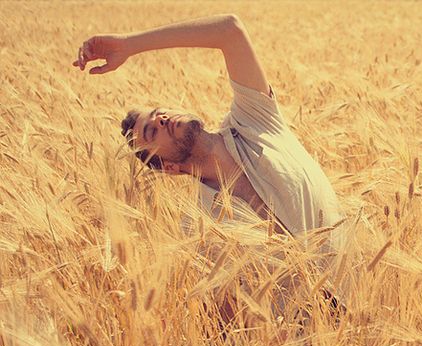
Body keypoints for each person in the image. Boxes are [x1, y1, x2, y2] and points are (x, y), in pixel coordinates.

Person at [73, 14, 349, 315]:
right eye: (152, 131)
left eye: (158, 112)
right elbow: (232, 312)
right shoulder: (200, 228)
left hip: (367, 304)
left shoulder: (254, 119)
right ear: (167, 167)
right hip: (315, 343)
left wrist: (129, 45)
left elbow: (229, 30)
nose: (161, 119)